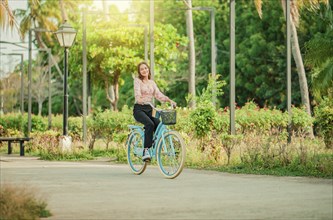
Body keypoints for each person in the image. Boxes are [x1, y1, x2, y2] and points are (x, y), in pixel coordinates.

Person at [133, 61, 176, 162]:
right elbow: (137, 95)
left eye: (145, 68)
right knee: (149, 124)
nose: (144, 70)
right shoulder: (137, 81)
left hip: (149, 109)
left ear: (148, 69)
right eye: (141, 69)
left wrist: (170, 100)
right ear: (139, 72)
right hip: (139, 109)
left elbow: (158, 95)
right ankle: (146, 150)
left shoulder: (152, 83)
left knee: (158, 123)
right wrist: (141, 99)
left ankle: (153, 143)